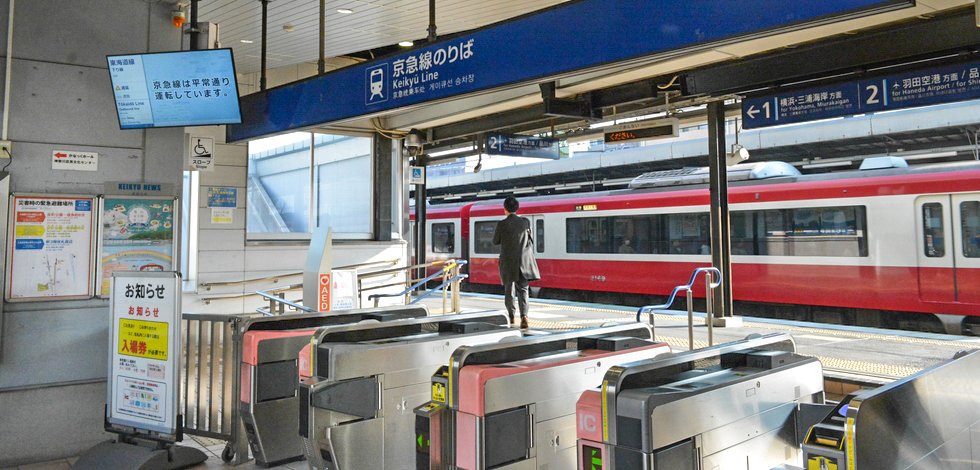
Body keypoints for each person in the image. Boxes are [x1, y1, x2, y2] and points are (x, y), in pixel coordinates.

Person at [492, 196, 540, 328]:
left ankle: (512, 317)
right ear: (517, 208)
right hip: (523, 261)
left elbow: (495, 241)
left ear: (505, 209)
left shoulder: (502, 224)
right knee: (523, 289)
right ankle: (524, 316)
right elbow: (530, 240)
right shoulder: (525, 222)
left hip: (508, 262)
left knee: (509, 290)